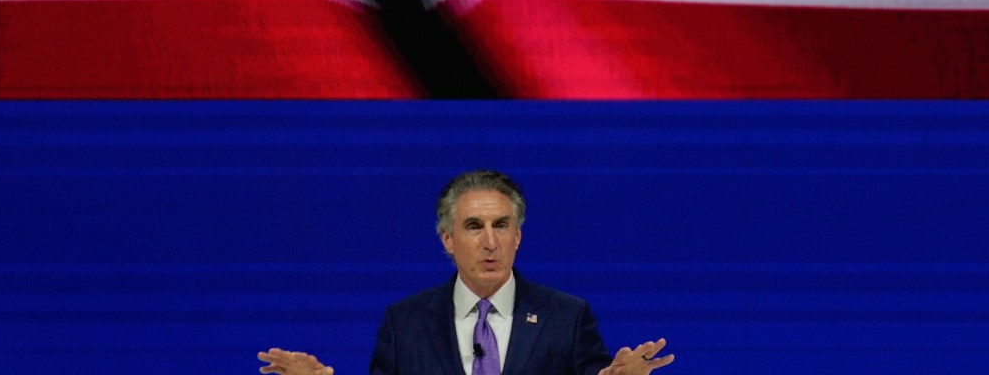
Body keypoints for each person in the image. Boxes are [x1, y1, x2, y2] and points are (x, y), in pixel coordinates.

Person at [259, 170, 676, 375]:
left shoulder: (566, 317)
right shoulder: (404, 323)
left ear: (518, 236)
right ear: (447, 239)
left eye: (502, 226)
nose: (490, 241)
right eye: (474, 227)